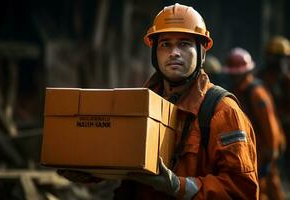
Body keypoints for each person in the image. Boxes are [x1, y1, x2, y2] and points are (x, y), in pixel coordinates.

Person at [58, 3, 259, 199]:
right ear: (155, 53)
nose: (174, 52)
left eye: (184, 43)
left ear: (202, 52)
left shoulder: (223, 112)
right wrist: (89, 172)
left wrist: (177, 186)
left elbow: (241, 191)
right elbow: (122, 160)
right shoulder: (139, 106)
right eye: (165, 44)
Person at [223, 47, 285, 200]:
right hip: (252, 152)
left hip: (265, 153)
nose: (234, 77)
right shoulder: (238, 91)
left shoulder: (256, 93)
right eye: (232, 74)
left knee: (270, 190)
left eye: (236, 74)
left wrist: (270, 157)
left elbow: (270, 127)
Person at [258, 36, 290, 199]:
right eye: (276, 57)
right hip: (264, 131)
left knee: (275, 172)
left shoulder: (286, 80)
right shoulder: (260, 79)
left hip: (282, 132)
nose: (279, 61)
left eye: (282, 58)